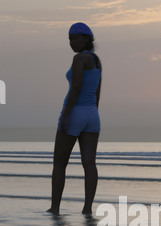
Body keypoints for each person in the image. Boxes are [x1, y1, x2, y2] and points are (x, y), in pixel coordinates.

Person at [47, 22, 102, 215]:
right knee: (89, 164)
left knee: (60, 163)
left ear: (87, 38)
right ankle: (87, 209)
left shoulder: (79, 59)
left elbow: (76, 88)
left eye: (75, 38)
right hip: (92, 115)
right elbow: (97, 92)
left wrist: (66, 116)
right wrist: (92, 114)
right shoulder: (96, 60)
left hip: (76, 112)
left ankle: (55, 208)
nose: (72, 42)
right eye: (69, 39)